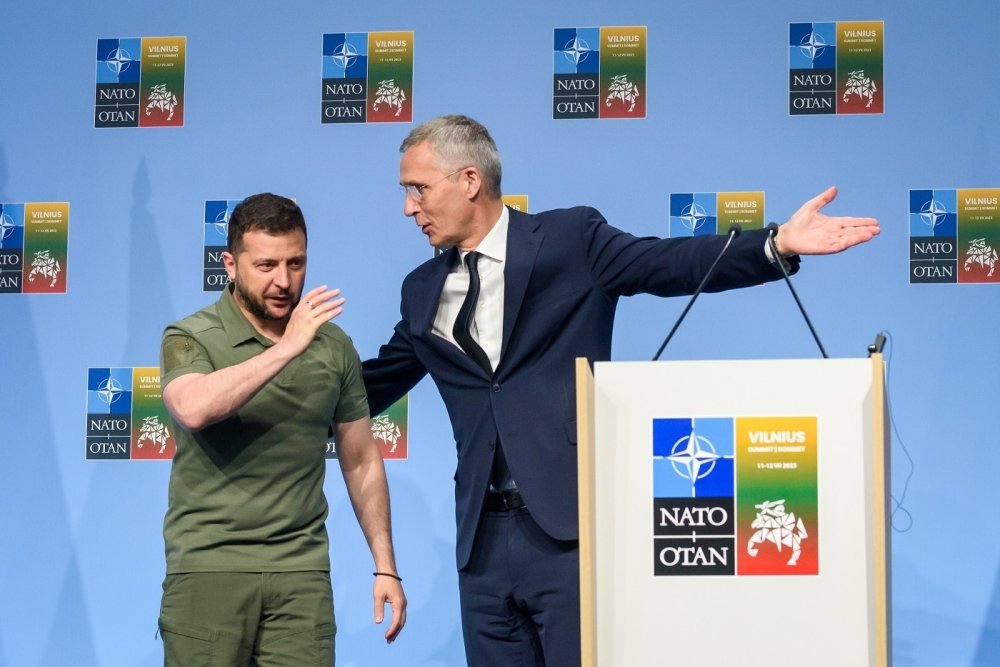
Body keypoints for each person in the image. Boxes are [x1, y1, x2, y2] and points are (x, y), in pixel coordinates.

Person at [361, 115, 879, 666]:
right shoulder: (421, 289)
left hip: (569, 534)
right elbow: (373, 385)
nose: (408, 208)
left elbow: (668, 263)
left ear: (469, 180)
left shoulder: (569, 240)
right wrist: (286, 378)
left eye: (418, 189)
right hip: (481, 546)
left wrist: (774, 244)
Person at [157, 193, 406, 666]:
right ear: (230, 264)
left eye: (296, 263)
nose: (284, 281)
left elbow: (359, 459)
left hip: (301, 574)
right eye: (266, 265)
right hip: (209, 568)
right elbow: (192, 407)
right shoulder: (190, 336)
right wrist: (287, 347)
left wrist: (386, 567)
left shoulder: (333, 346)